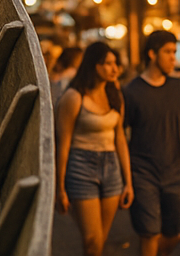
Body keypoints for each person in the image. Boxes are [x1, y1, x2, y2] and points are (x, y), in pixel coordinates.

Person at [124, 30, 180, 256]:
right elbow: (121, 134)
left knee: (176, 233)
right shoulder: (131, 91)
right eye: (168, 52)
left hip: (177, 174)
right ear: (152, 54)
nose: (173, 58)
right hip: (143, 174)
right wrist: (126, 177)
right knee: (149, 234)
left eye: (175, 52)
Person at [56, 43, 134, 256]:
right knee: (92, 240)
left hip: (111, 168)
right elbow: (63, 143)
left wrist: (128, 181)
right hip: (81, 166)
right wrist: (59, 186)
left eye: (115, 64)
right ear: (94, 65)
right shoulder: (74, 97)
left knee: (101, 240)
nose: (114, 69)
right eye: (108, 64)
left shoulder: (115, 94)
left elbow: (120, 139)